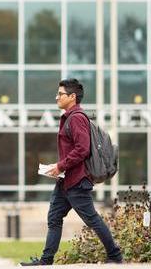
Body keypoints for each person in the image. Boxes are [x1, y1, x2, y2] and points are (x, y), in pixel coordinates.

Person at [21, 78, 124, 266]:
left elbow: (82, 149)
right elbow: (75, 150)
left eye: (60, 94)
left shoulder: (76, 118)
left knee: (92, 219)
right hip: (66, 181)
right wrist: (59, 168)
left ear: (72, 96)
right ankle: (46, 260)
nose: (56, 97)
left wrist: (61, 166)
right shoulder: (70, 117)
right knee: (54, 218)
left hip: (77, 181)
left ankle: (115, 255)